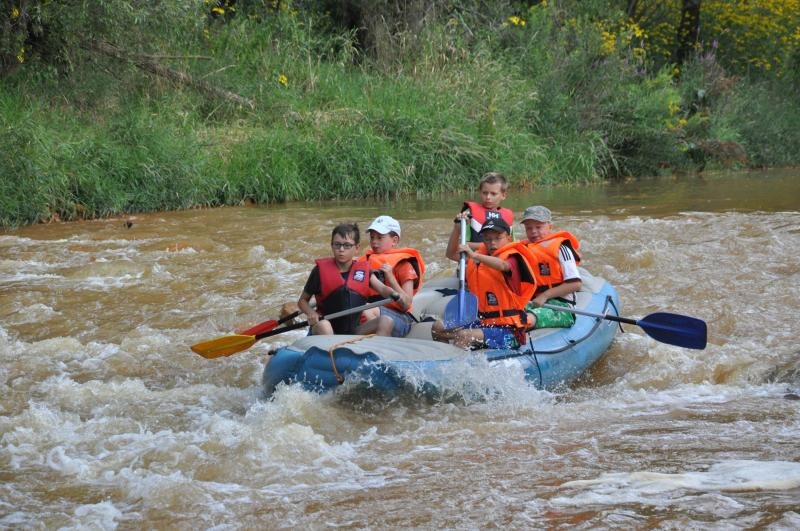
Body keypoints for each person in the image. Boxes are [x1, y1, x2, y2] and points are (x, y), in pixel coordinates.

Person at [432, 215, 537, 349]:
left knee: (465, 335)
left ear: (509, 238)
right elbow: (451, 254)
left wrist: (475, 255)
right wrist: (457, 229)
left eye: (497, 238)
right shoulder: (479, 259)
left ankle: (457, 367)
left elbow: (503, 266)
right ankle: (443, 360)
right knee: (438, 327)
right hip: (483, 322)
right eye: (487, 239)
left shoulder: (513, 257)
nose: (492, 242)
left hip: (510, 329)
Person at [357, 215, 426, 337]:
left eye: (380, 237)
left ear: (394, 240)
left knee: (366, 310)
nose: (374, 241)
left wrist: (391, 279)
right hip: (373, 310)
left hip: (401, 318)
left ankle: (380, 347)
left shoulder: (404, 265)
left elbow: (406, 304)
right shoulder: (364, 261)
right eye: (372, 237)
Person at [297, 223, 371, 335]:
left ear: (356, 248)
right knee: (325, 326)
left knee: (385, 322)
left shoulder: (364, 272)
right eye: (337, 245)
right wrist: (311, 313)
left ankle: (376, 352)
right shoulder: (319, 271)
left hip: (354, 330)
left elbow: (385, 290)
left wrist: (395, 294)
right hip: (324, 329)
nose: (341, 249)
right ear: (332, 246)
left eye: (347, 245)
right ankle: (331, 351)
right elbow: (302, 301)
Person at [520, 205, 583, 329]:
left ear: (550, 227)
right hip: (533, 302)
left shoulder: (561, 248)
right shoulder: (522, 250)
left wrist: (544, 296)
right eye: (528, 228)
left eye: (538, 227)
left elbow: (575, 284)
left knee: (525, 319)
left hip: (561, 306)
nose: (533, 231)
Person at [461, 171, 515, 246]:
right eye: (485, 193)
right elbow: (462, 244)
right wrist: (489, 246)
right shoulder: (469, 213)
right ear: (480, 192)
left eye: (493, 194)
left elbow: (512, 243)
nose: (488, 197)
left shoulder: (508, 215)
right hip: (476, 255)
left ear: (504, 195)